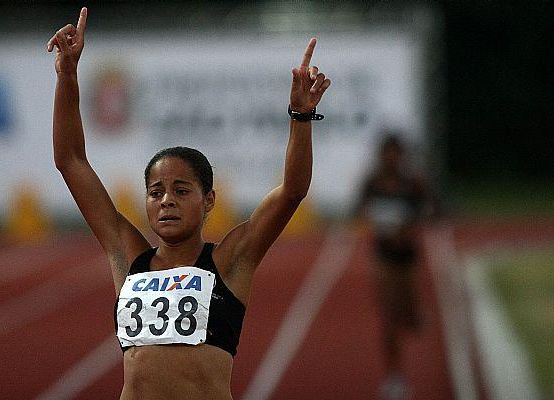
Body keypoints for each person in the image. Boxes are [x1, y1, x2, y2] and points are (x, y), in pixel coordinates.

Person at [47, 7, 330, 399]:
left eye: (181, 191)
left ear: (209, 200)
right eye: (156, 192)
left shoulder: (231, 260)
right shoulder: (127, 256)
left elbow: (293, 191)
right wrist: (67, 76)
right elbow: (71, 162)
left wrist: (301, 116)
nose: (167, 201)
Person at [351, 133, 438, 400]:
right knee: (389, 320)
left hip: (408, 258)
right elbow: (359, 210)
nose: (391, 158)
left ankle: (413, 315)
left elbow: (429, 210)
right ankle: (394, 377)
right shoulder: (372, 182)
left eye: (395, 153)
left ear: (401, 155)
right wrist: (377, 223)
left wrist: (407, 229)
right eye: (387, 153)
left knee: (409, 317)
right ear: (381, 155)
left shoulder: (412, 183)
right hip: (383, 258)